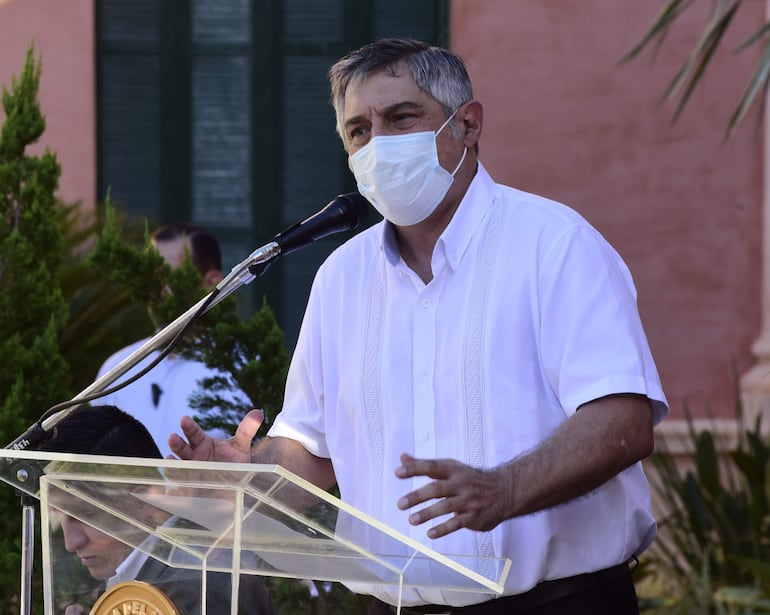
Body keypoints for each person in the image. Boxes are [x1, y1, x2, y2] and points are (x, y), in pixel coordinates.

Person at [169, 38, 669, 615]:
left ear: (468, 125)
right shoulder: (340, 280)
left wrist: (504, 490)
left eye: (401, 118)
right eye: (359, 131)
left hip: (556, 601)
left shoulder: (556, 247)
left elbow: (623, 422)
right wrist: (248, 474)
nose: (379, 144)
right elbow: (312, 450)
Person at [37, 404, 276, 615]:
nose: (71, 543)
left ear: (146, 498)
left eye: (84, 514)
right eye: (59, 517)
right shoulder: (123, 586)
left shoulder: (202, 584)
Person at [97, 223, 246, 457]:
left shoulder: (244, 369)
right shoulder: (117, 368)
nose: (156, 291)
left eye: (169, 278)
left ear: (212, 282)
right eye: (150, 278)